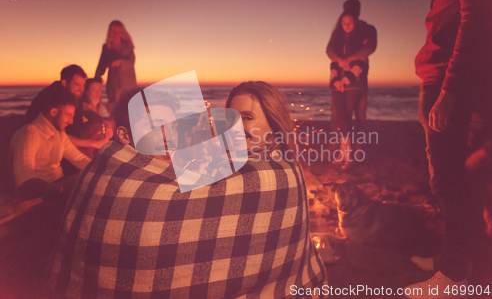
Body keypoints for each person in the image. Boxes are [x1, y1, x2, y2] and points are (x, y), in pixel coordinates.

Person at [48, 84, 327, 298]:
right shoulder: (117, 174)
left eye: (248, 117)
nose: (170, 135)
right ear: (123, 137)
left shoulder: (273, 173)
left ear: (274, 124)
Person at [405, 0, 492, 298]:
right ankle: (456, 258)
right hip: (450, 77)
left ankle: (454, 274)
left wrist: (450, 90)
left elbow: (477, 20)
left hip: (449, 79)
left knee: (448, 180)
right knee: (457, 178)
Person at [10, 88, 91, 200]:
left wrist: (102, 170)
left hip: (60, 182)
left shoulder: (60, 134)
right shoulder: (29, 133)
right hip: (40, 190)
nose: (71, 121)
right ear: (53, 112)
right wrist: (60, 191)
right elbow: (25, 179)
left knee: (92, 178)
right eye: (68, 115)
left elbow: (79, 159)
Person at [326, 0, 377, 170]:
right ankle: (343, 150)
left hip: (355, 81)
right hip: (338, 80)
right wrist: (340, 63)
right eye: (344, 19)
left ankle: (355, 151)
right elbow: (330, 52)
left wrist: (350, 60)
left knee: (356, 116)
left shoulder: (365, 30)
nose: (347, 23)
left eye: (351, 16)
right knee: (340, 116)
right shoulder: (338, 36)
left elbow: (369, 48)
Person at [25, 65, 112, 151]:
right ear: (65, 83)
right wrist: (91, 143)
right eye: (77, 85)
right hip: (42, 140)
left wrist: (106, 122)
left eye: (83, 85)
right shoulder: (54, 98)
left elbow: (85, 112)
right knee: (92, 129)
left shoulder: (71, 95)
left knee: (96, 125)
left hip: (63, 135)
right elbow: (59, 135)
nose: (82, 89)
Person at [94, 20, 137, 116]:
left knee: (128, 107)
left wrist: (121, 62)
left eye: (119, 31)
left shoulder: (128, 46)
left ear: (122, 32)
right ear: (110, 32)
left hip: (127, 81)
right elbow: (102, 65)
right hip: (113, 81)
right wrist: (96, 79)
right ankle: (113, 128)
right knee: (113, 107)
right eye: (114, 32)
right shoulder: (106, 48)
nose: (117, 34)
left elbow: (132, 62)